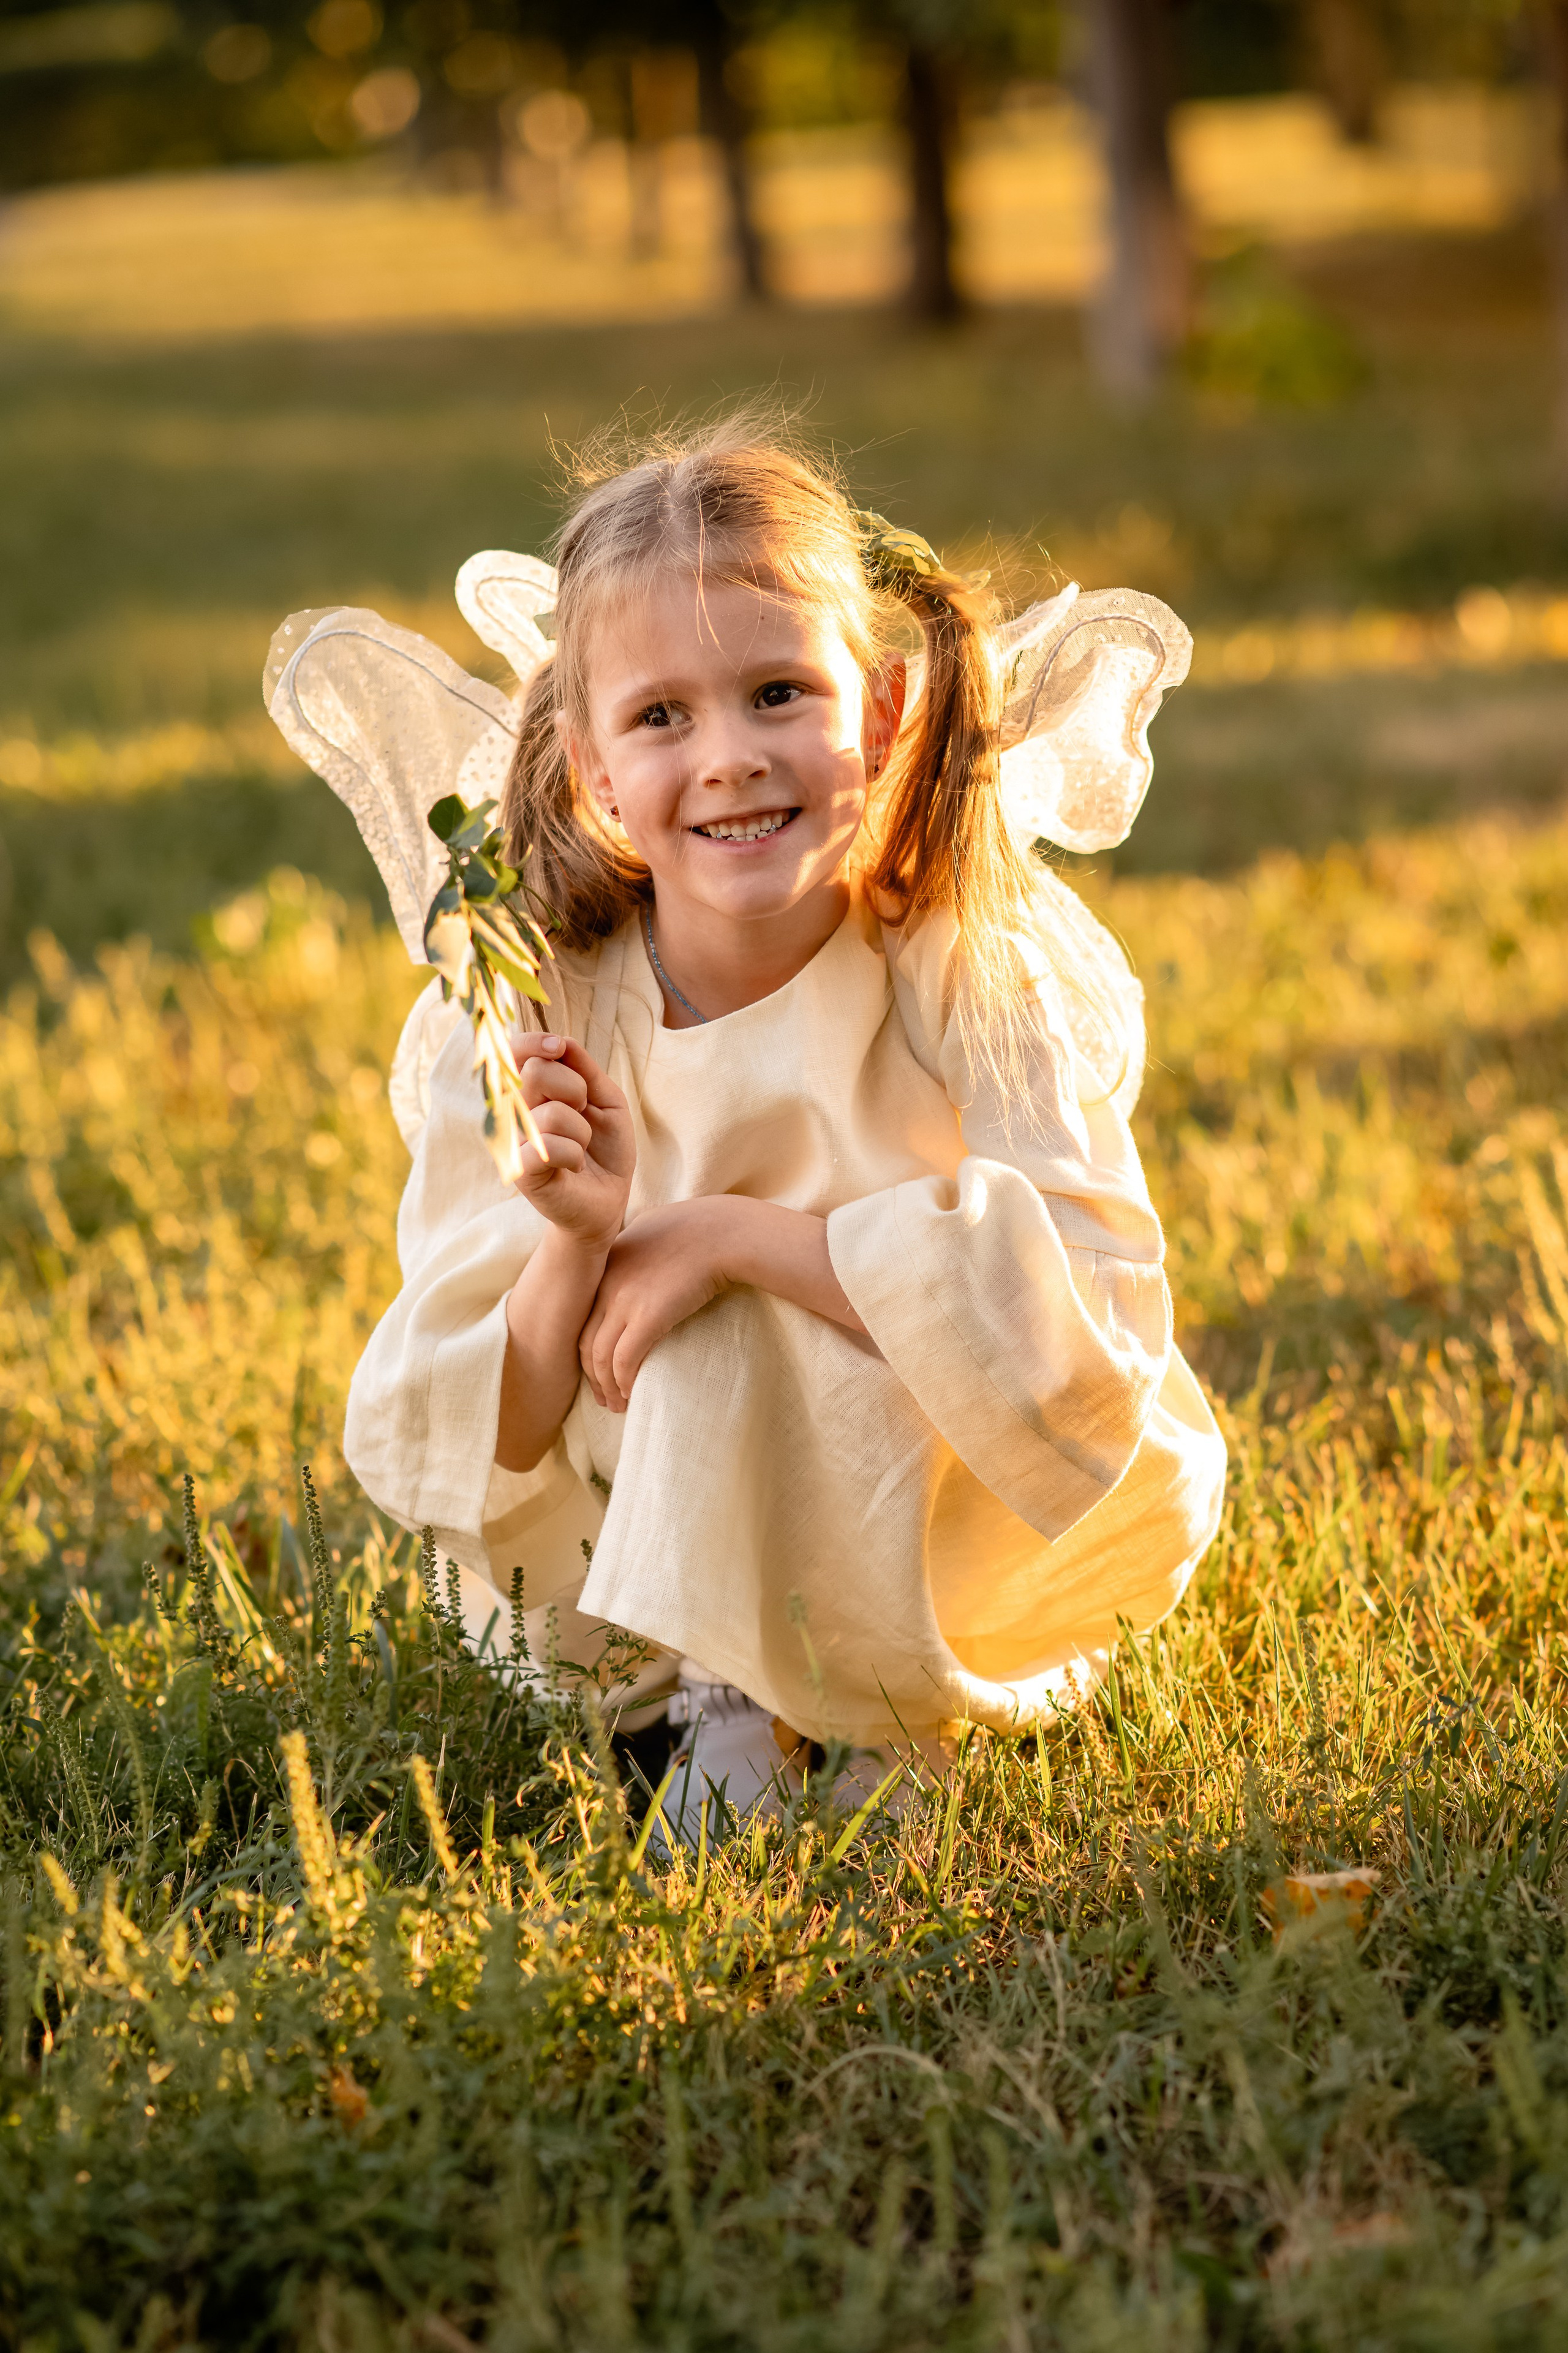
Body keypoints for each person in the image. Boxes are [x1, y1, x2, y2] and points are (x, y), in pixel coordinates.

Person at [340, 419, 1227, 1822]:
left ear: (872, 715)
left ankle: (884, 1705)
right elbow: (477, 1435)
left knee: (762, 1282)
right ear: (592, 767)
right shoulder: (534, 1008)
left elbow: (1088, 1320)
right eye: (659, 717)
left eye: (773, 692)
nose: (730, 758)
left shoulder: (963, 958)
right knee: (681, 1312)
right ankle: (726, 1705)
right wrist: (580, 1239)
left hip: (929, 1514)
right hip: (640, 1512)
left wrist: (734, 1235)